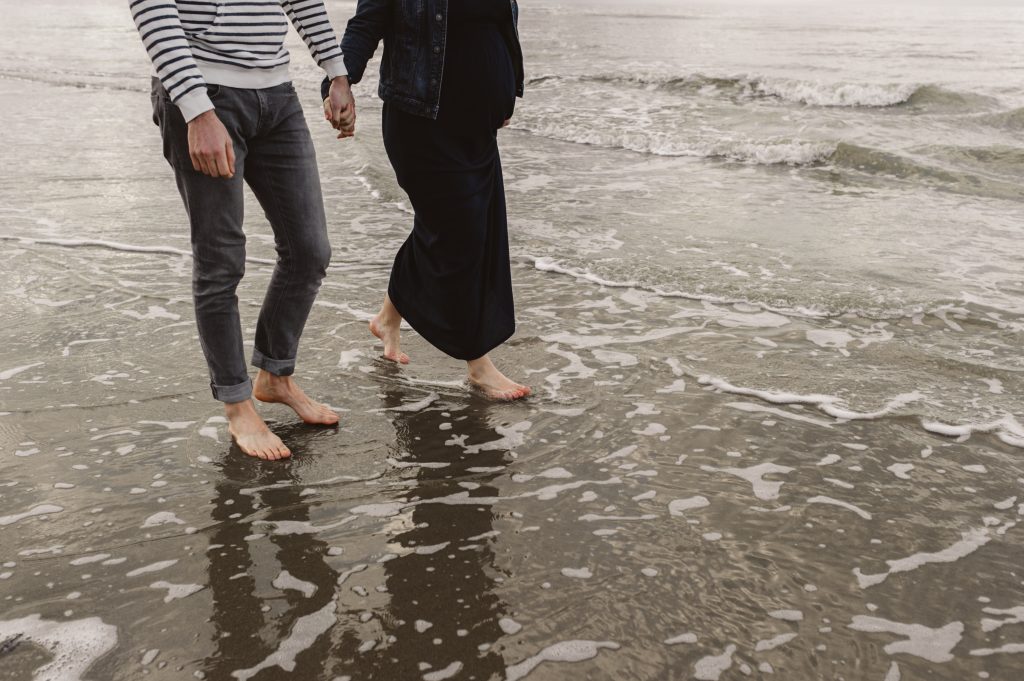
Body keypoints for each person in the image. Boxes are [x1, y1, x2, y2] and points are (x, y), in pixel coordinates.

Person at [131, 0, 361, 459]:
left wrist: (337, 73)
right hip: (204, 92)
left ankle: (275, 377)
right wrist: (196, 111)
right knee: (221, 260)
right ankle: (237, 405)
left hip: (277, 95)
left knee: (309, 250)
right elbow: (152, 9)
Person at [323, 0, 531, 400]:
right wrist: (339, 84)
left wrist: (508, 89)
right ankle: (478, 364)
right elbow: (366, 25)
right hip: (420, 121)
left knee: (467, 226)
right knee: (462, 232)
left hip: (478, 124)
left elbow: (500, 24)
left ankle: (388, 316)